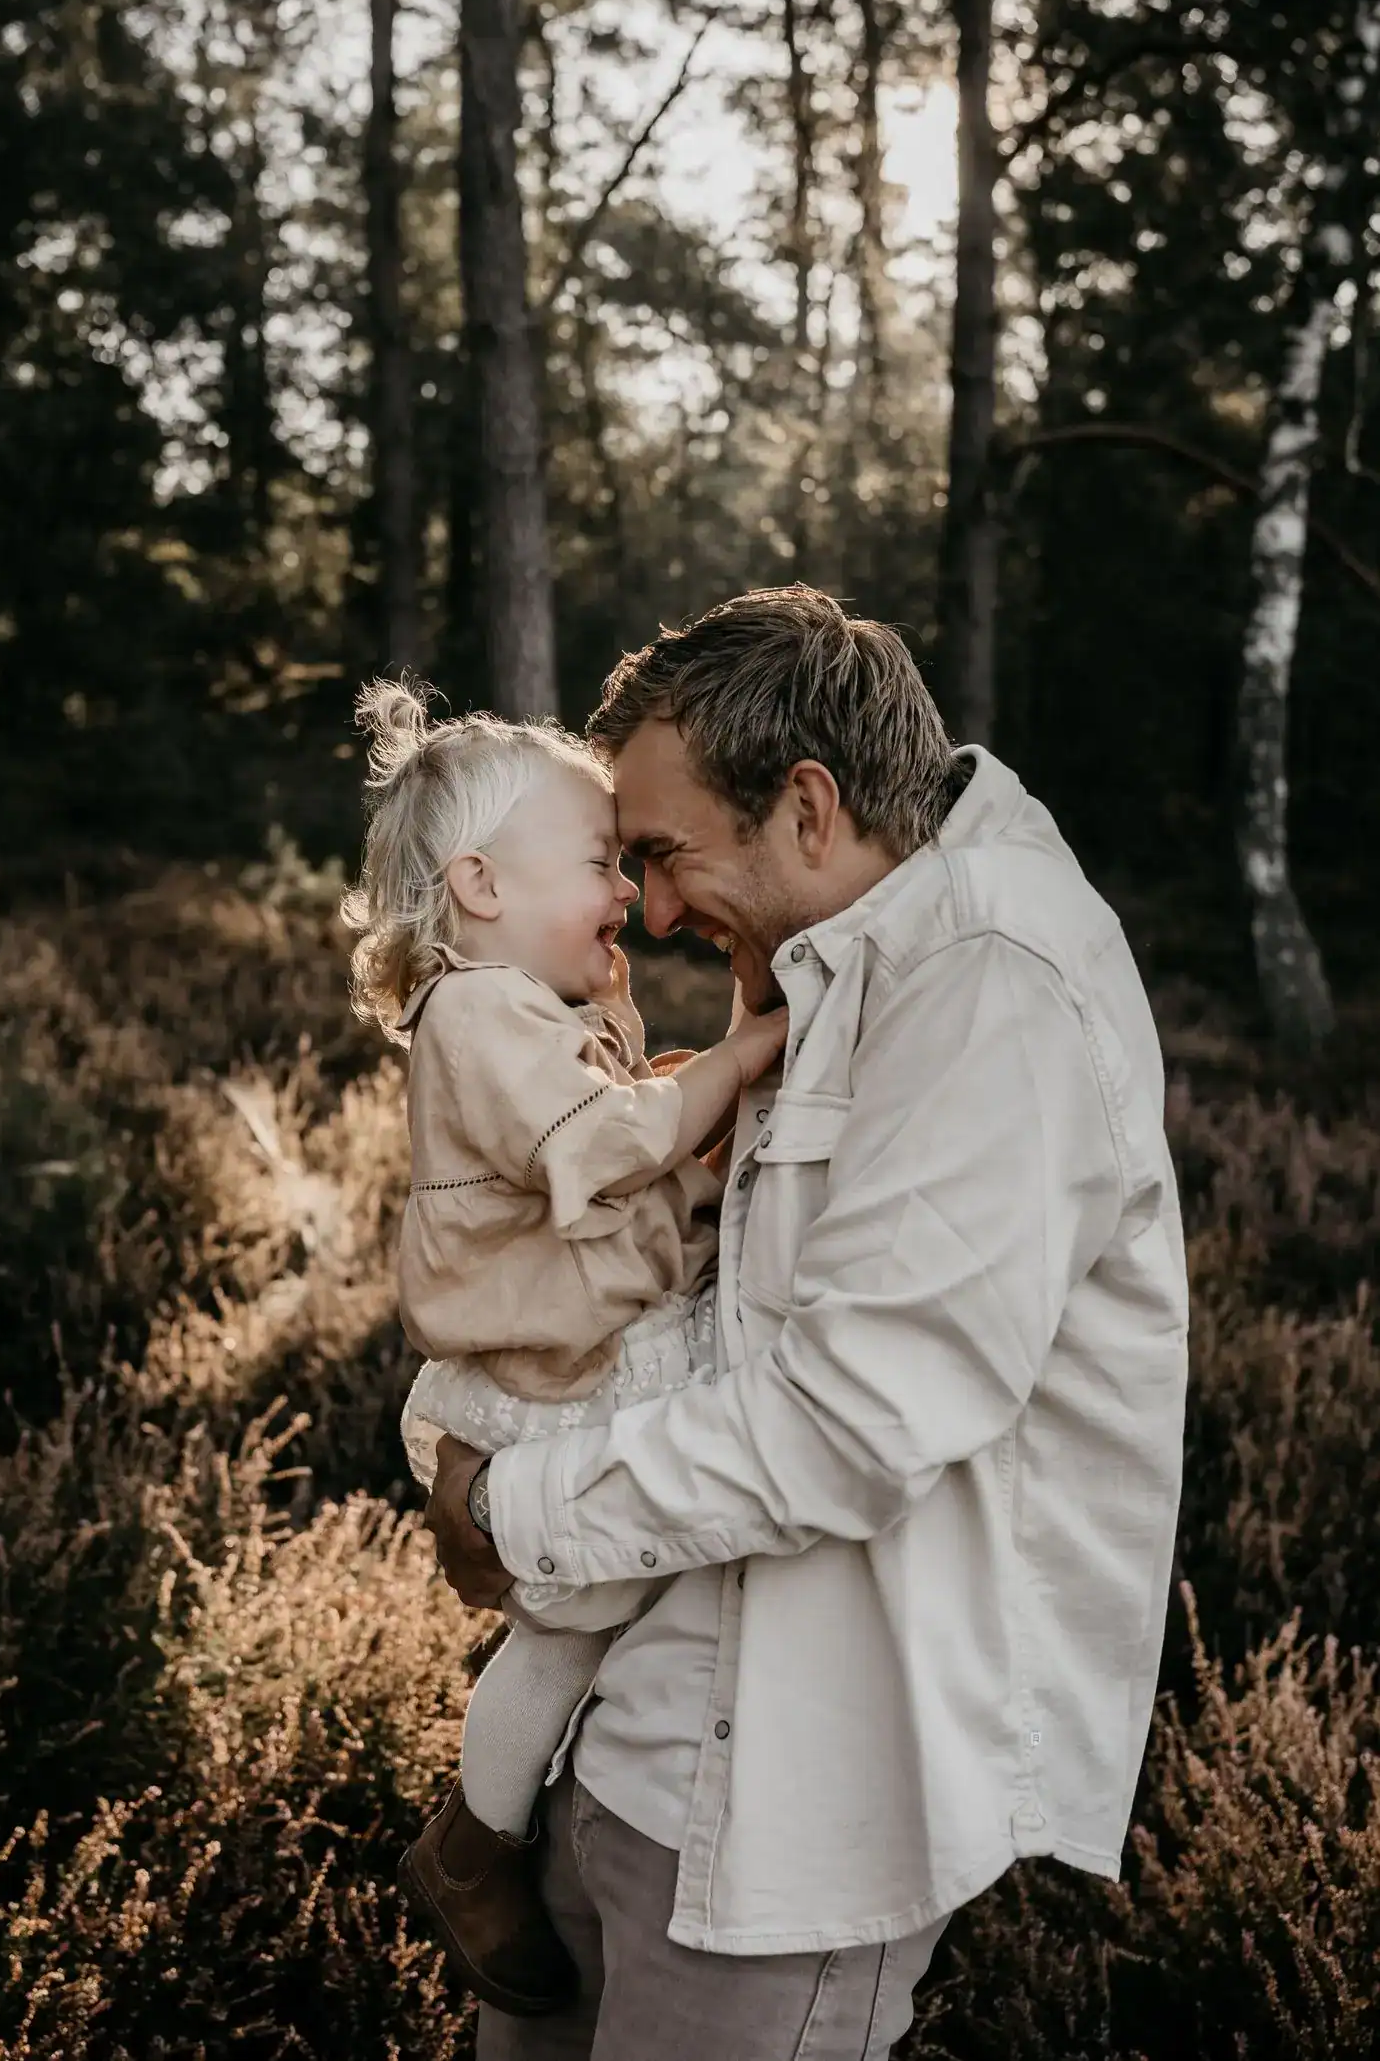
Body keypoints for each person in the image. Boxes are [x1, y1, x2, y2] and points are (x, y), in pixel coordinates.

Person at [423, 585, 1190, 2061]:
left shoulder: (990, 992)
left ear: (809, 804)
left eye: (661, 855)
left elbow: (846, 1421)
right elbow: (731, 1333)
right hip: (630, 1744)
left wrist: (511, 1500)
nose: (644, 910)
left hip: (784, 1830)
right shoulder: (836, 956)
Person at [339, 681, 788, 2019]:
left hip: (590, 1352)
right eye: (599, 859)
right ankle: (472, 1844)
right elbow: (604, 1147)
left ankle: (526, 1811)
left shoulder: (545, 1005)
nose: (627, 892)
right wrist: (755, 1048)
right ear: (479, 884)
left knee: (602, 1616)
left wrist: (694, 1086)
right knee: (576, 1613)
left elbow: (628, 1135)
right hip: (547, 1380)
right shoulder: (478, 1014)